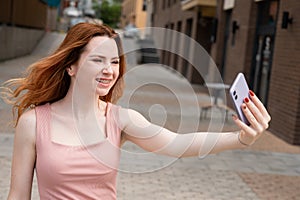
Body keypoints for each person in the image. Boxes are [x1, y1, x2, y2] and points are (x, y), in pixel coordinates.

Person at [3, 23, 271, 199]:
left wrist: (240, 139)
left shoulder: (120, 119)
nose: (109, 70)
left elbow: (179, 142)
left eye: (114, 61)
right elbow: (18, 195)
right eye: (97, 60)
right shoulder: (34, 122)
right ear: (70, 66)